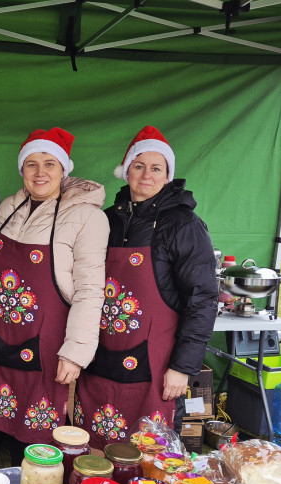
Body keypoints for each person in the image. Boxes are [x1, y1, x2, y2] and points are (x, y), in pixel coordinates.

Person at [75, 126, 217, 449]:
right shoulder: (105, 220)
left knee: (148, 455)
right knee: (94, 453)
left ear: (168, 175)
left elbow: (203, 300)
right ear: (126, 171)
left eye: (156, 168)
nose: (146, 175)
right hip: (100, 359)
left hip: (155, 366)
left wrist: (182, 367)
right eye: (138, 166)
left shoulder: (184, 226)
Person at [0, 127, 108, 463]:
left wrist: (76, 352)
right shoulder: (8, 207)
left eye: (49, 164)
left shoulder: (87, 216)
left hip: (50, 344)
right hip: (3, 336)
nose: (40, 173)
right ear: (21, 170)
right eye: (31, 164)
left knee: (43, 437)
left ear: (64, 169)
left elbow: (91, 291)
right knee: (8, 427)